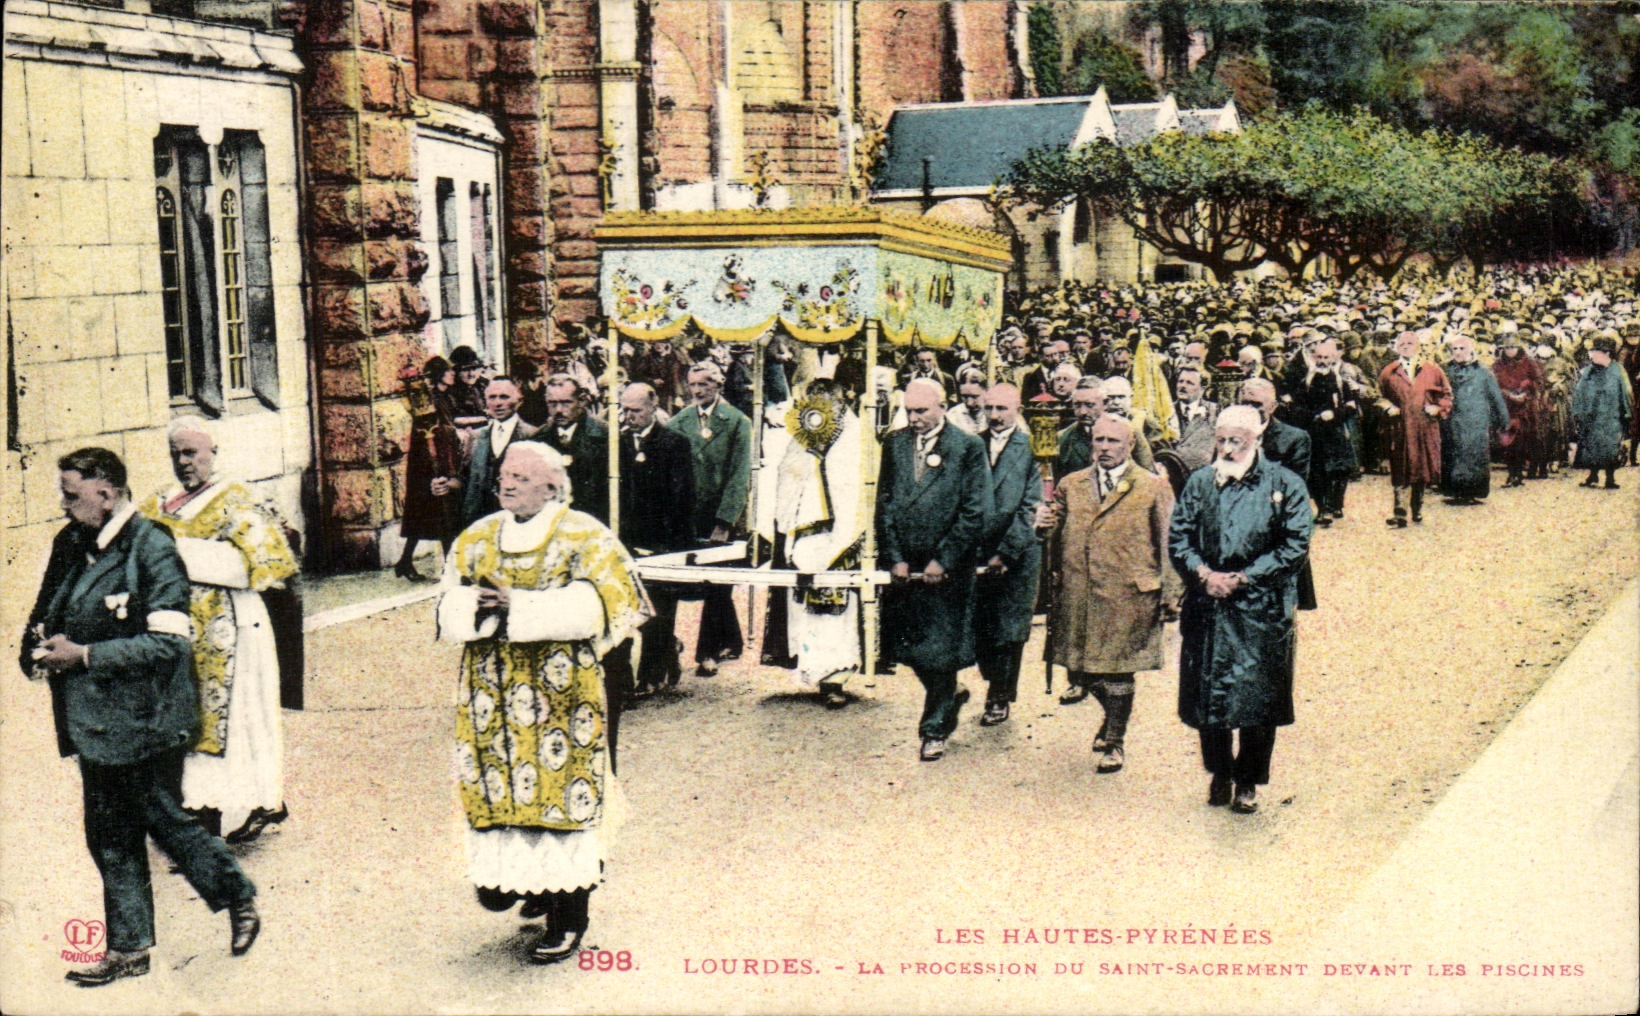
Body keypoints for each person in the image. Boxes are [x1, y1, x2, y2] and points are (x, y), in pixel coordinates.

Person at [23, 448, 259, 986]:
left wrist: (85, 655)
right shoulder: (71, 542)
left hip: (149, 716)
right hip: (93, 718)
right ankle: (130, 949)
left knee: (161, 819)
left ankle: (235, 896)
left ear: (106, 495)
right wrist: (33, 650)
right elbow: (44, 611)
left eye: (71, 495)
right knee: (109, 830)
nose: (63, 505)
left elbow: (169, 644)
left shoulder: (153, 547)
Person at [436, 441, 649, 965]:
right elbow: (448, 600)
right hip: (492, 694)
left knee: (561, 794)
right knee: (500, 789)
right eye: (504, 477)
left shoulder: (584, 535)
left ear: (553, 487)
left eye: (522, 478)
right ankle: (517, 883)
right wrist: (474, 607)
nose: (507, 485)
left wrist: (520, 606)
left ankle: (569, 916)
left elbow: (602, 607)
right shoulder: (478, 536)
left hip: (561, 695)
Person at [139, 417, 299, 844]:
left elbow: (256, 566)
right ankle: (194, 811)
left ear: (213, 452)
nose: (183, 462)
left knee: (238, 723)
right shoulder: (158, 502)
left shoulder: (238, 499)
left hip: (232, 632)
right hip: (176, 631)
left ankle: (239, 808)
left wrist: (173, 553)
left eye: (191, 453)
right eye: (176, 454)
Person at [1169, 406, 1313, 815]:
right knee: (1207, 693)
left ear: (1257, 440)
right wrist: (1203, 575)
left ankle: (1248, 779)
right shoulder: (1201, 482)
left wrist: (1246, 578)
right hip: (1208, 603)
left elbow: (1294, 545)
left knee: (1258, 698)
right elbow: (1179, 536)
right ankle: (1219, 771)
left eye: (1237, 441)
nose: (1228, 449)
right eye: (1222, 440)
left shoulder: (1284, 484)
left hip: (1261, 607)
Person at [1039, 415, 1173, 773]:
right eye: (1099, 440)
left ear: (1130, 445)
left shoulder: (1152, 486)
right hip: (1079, 593)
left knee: (1118, 672)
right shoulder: (1072, 484)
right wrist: (1042, 524)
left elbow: (1168, 541)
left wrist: (1171, 593)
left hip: (1128, 595)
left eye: (1113, 441)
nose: (1104, 447)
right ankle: (1112, 720)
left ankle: (1115, 741)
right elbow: (1052, 531)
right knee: (1081, 671)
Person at [876, 378, 994, 762]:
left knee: (940, 652)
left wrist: (943, 560)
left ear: (942, 406)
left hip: (948, 569)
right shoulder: (894, 444)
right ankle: (950, 695)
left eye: (922, 411)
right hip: (906, 567)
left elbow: (974, 511)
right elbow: (885, 503)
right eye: (908, 411)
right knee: (909, 649)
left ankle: (934, 729)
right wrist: (894, 556)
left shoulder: (967, 447)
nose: (914, 418)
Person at [771, 379, 870, 707]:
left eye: (829, 404)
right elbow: (787, 473)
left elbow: (855, 482)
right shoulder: (802, 435)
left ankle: (836, 677)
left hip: (840, 530)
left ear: (842, 404)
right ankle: (813, 670)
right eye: (814, 403)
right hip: (806, 530)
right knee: (808, 608)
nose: (822, 410)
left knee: (836, 610)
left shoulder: (855, 436)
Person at [608, 383, 695, 699]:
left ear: (653, 407)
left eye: (636, 410)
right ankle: (667, 652)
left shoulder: (674, 443)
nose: (629, 417)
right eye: (625, 410)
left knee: (659, 608)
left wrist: (668, 544)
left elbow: (681, 497)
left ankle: (651, 675)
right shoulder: (617, 444)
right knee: (634, 607)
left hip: (662, 541)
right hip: (627, 540)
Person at [668, 361, 752, 675]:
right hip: (689, 514)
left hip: (720, 515)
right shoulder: (679, 421)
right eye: (693, 384)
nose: (697, 390)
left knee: (718, 582)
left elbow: (739, 476)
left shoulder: (737, 421)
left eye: (704, 384)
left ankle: (708, 653)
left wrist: (725, 521)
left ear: (718, 384)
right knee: (689, 581)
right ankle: (730, 640)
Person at [973, 384, 1042, 728]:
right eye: (989, 408)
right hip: (977, 551)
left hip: (1018, 553)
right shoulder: (972, 444)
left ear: (1018, 410)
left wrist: (1006, 552)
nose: (995, 415)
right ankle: (994, 681)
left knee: (1009, 631)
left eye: (1002, 408)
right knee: (980, 627)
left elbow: (1032, 506)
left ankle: (999, 696)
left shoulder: (1033, 449)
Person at [397, 355, 465, 580]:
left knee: (432, 515)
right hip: (430, 462)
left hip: (440, 457)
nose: (453, 373)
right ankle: (448, 567)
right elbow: (436, 430)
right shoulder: (430, 398)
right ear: (439, 374)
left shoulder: (444, 396)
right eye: (448, 370)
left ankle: (405, 561)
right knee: (442, 513)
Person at [1377, 331, 1451, 527]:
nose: (1406, 347)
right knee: (1399, 467)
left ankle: (1417, 507)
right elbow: (1378, 396)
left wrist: (1437, 408)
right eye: (1402, 344)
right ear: (1396, 347)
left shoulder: (1432, 370)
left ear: (1417, 347)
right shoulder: (1389, 372)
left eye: (1410, 344)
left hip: (1424, 428)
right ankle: (1399, 512)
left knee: (1421, 468)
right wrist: (1387, 407)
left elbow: (1447, 395)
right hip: (1400, 427)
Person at [1284, 338, 1358, 525]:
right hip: (1315, 433)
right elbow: (1296, 407)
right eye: (1319, 357)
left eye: (1326, 357)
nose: (1322, 361)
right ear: (1313, 358)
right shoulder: (1306, 382)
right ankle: (1322, 508)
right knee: (1317, 471)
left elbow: (1351, 406)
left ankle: (1337, 504)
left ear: (1333, 358)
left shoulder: (1341, 382)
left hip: (1337, 431)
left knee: (1340, 470)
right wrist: (1314, 416)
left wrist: (1335, 414)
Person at [460, 377, 541, 528]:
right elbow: (465, 480)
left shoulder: (534, 436)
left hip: (519, 522)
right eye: (492, 397)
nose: (498, 403)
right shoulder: (476, 437)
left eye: (504, 397)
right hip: (480, 521)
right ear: (485, 402)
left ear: (519, 401)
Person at [1440, 334, 1509, 504]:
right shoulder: (1445, 370)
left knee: (1474, 455)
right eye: (1455, 349)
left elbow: (1496, 397)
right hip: (1452, 420)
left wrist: (1504, 419)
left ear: (1471, 351)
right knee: (1452, 454)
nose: (1458, 352)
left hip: (1476, 421)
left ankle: (1472, 492)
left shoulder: (1483, 372)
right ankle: (1454, 491)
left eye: (1462, 348)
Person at [541, 373, 610, 525]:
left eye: (566, 403)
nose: (559, 410)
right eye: (552, 403)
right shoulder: (539, 439)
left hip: (594, 523)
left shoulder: (607, 437)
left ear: (581, 401)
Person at [1057, 379, 1157, 475]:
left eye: (1089, 405)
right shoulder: (1063, 438)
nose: (1083, 411)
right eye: (1077, 405)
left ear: (1105, 403)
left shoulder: (1128, 431)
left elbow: (1147, 476)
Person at [1572, 335, 1633, 489]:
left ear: (1607, 353)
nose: (1592, 355)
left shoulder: (1618, 371)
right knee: (1591, 445)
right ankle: (1593, 475)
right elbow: (1579, 393)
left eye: (1596, 352)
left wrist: (1627, 414)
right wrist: (1578, 412)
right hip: (1591, 417)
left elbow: (1625, 393)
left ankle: (1610, 478)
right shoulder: (1589, 372)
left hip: (1611, 417)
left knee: (1610, 447)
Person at [1492, 326, 1546, 487]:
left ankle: (1519, 472)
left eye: (1513, 347)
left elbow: (1540, 382)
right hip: (1506, 407)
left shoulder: (1529, 363)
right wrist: (1507, 394)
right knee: (1507, 440)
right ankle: (1512, 472)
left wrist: (1527, 389)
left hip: (1525, 407)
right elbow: (1493, 385)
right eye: (1507, 347)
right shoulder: (1498, 365)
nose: (1510, 350)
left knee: (1523, 440)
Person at [1172, 364, 1220, 472]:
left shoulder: (1214, 412)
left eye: (1189, 383)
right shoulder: (1167, 411)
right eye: (1180, 381)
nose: (1183, 386)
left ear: (1202, 389)